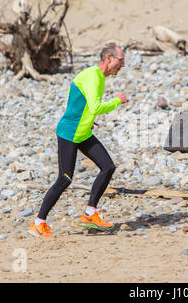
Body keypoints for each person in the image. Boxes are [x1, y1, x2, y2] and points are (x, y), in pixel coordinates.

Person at [28, 43, 128, 238]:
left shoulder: (97, 76)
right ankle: (38, 223)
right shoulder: (93, 76)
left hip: (82, 132)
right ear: (109, 58)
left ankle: (90, 213)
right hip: (69, 133)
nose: (122, 65)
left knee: (108, 167)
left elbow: (74, 95)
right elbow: (96, 106)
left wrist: (87, 120)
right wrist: (117, 100)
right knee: (64, 179)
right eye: (120, 60)